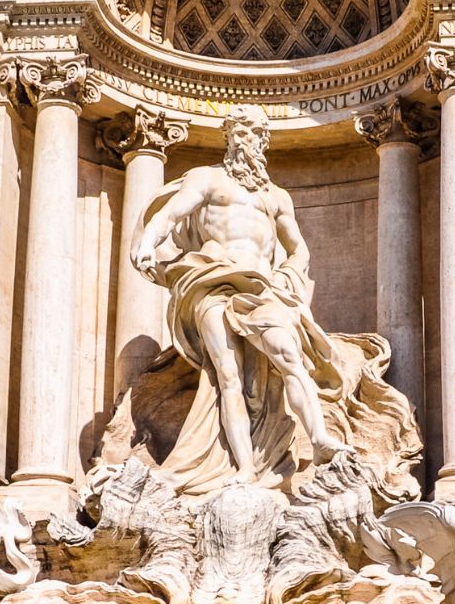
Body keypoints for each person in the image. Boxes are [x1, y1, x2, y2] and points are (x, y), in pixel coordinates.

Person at [129, 104, 355, 493]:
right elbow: (169, 215)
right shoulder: (206, 179)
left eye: (256, 134)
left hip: (261, 287)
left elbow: (298, 248)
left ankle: (319, 438)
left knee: (289, 356)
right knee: (227, 375)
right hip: (211, 281)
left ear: (264, 141)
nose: (249, 140)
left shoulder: (277, 197)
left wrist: (287, 276)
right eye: (242, 132)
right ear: (230, 137)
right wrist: (148, 243)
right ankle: (245, 468)